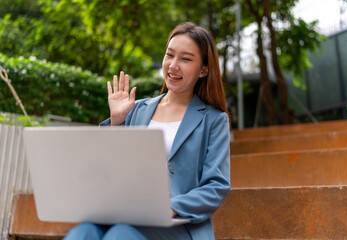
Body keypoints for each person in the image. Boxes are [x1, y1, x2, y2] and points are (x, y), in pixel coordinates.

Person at [64, 21, 230, 240]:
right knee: (83, 232)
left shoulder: (214, 120)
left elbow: (215, 186)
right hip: (126, 213)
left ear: (203, 70)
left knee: (120, 235)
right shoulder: (136, 110)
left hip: (178, 225)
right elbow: (105, 167)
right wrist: (117, 122)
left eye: (185, 59)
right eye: (170, 55)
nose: (173, 65)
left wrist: (168, 208)